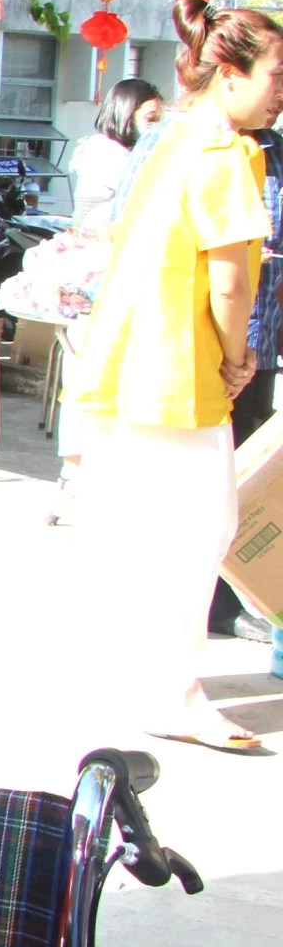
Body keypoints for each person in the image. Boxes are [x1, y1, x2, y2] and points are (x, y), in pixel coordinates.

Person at [66, 0, 283, 750]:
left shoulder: (170, 136)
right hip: (174, 367)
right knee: (197, 530)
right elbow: (231, 282)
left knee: (146, 530)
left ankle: (145, 681)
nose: (281, 91)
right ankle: (173, 691)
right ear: (230, 74)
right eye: (276, 74)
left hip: (124, 357)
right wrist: (236, 356)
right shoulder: (225, 150)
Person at [208, 112, 283, 640]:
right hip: (213, 349)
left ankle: (235, 594)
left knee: (247, 479)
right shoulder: (205, 149)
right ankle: (208, 605)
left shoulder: (273, 153)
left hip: (262, 342)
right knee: (208, 482)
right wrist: (233, 354)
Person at [69, 77, 164, 225]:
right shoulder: (105, 149)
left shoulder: (120, 149)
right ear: (126, 113)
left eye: (159, 120)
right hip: (94, 239)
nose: (155, 126)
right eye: (150, 119)